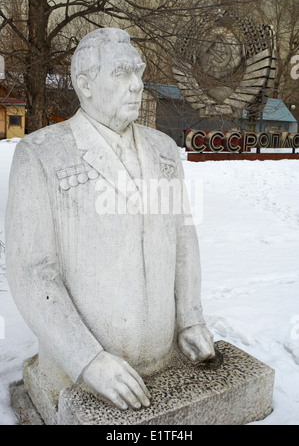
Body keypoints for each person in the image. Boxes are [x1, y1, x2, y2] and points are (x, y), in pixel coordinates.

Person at [5, 28, 215, 412]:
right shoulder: (41, 155)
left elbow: (183, 237)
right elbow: (32, 272)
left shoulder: (164, 150)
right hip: (79, 372)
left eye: (138, 71)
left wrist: (189, 319)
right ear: (84, 84)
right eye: (121, 73)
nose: (137, 85)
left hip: (164, 357)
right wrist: (87, 360)